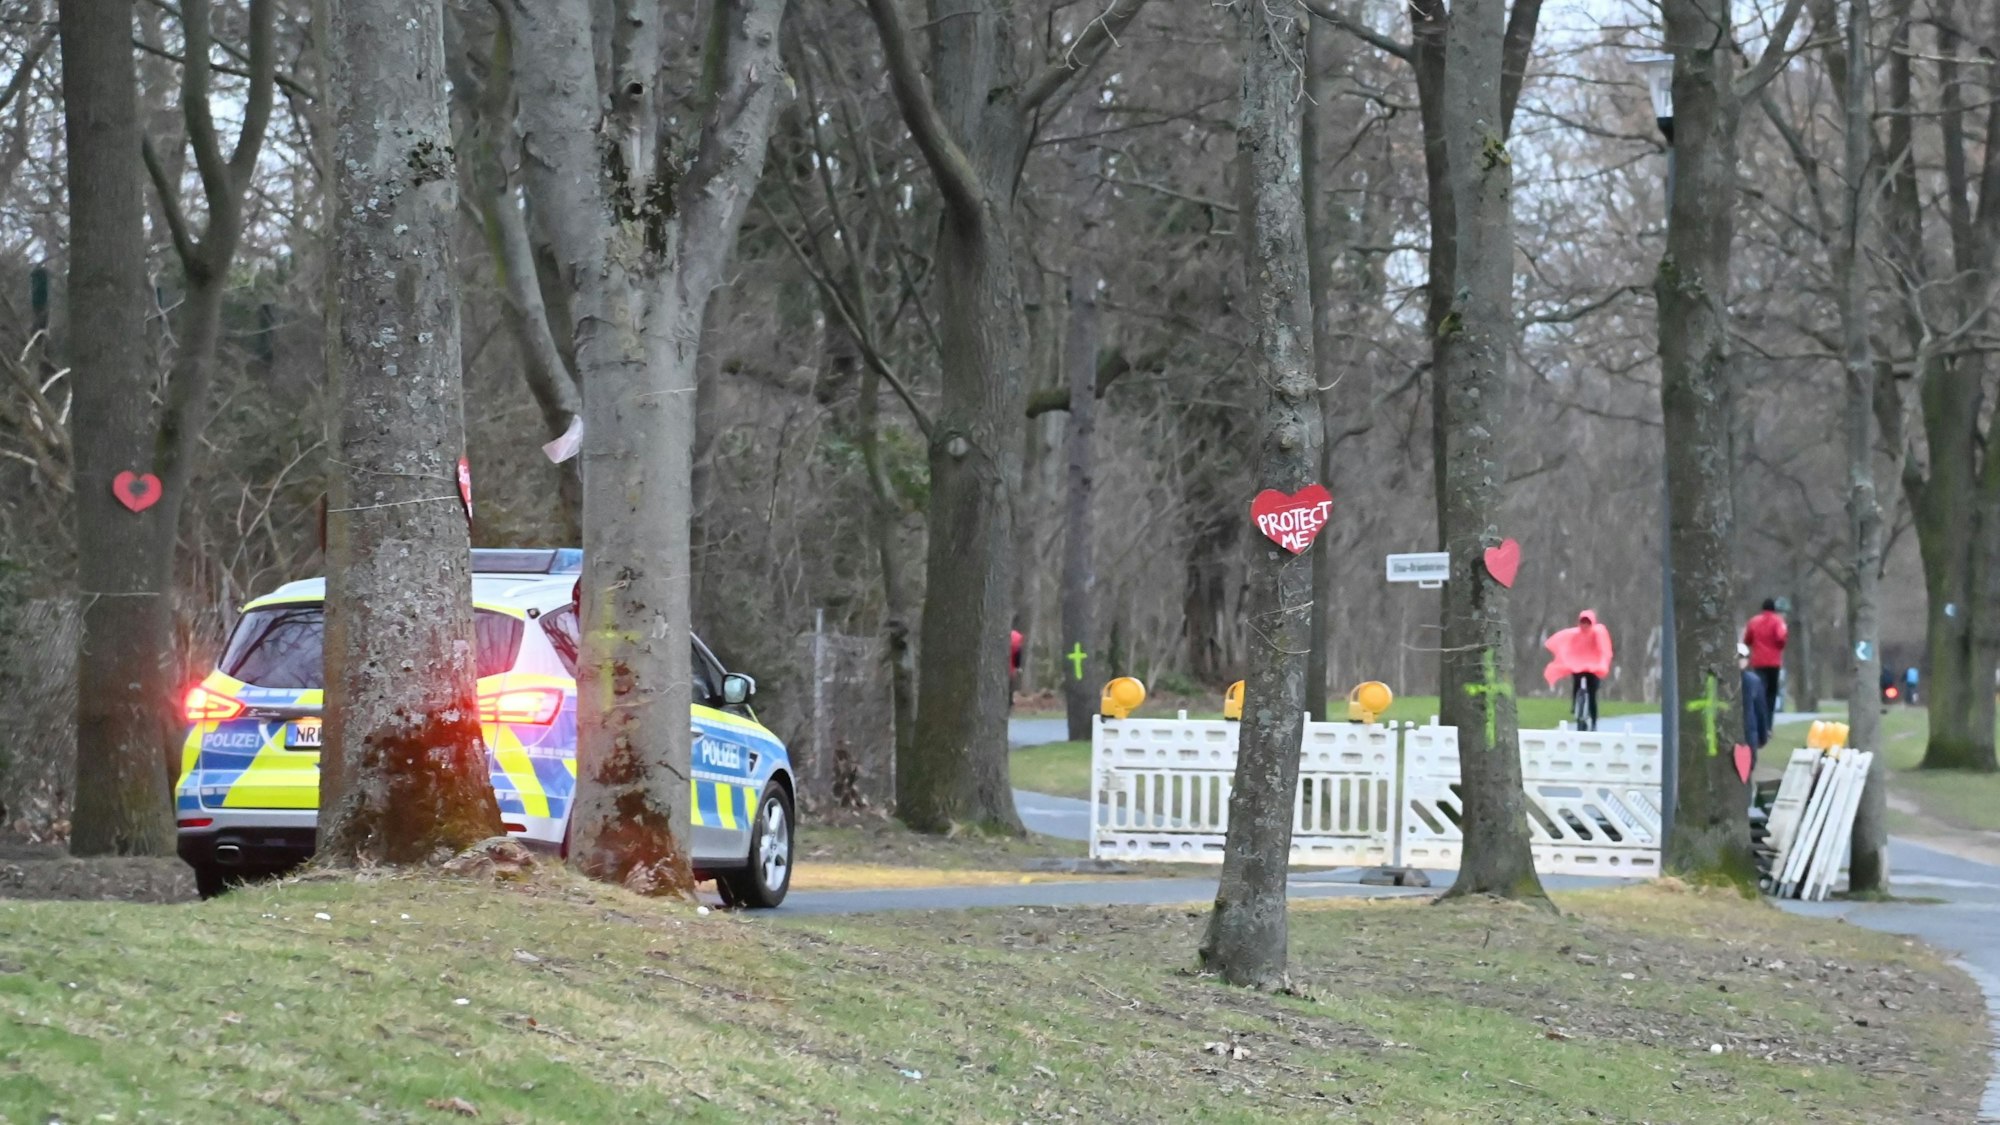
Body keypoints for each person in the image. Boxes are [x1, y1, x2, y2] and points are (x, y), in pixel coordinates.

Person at [1543, 610, 1614, 731]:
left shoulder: (1597, 633)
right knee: (1577, 683)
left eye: (1587, 622)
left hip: (1594, 666)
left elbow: (1603, 648)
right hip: (1579, 664)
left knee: (1592, 694)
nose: (1585, 625)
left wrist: (1601, 662)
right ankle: (1575, 704)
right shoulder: (1575, 634)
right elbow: (1566, 643)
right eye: (1583, 622)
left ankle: (1594, 721)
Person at [1742, 598, 1787, 732]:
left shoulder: (1754, 621)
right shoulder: (1778, 621)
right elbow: (1781, 638)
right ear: (1774, 609)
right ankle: (1768, 726)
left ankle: (1758, 724)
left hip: (1758, 662)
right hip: (1774, 663)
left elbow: (1747, 639)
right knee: (1771, 694)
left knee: (1759, 692)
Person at [1739, 643, 1770, 750]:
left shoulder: (1753, 681)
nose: (1741, 660)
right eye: (1739, 657)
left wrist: (1762, 736)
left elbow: (1760, 710)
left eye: (1743, 657)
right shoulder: (1752, 681)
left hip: (1749, 735)